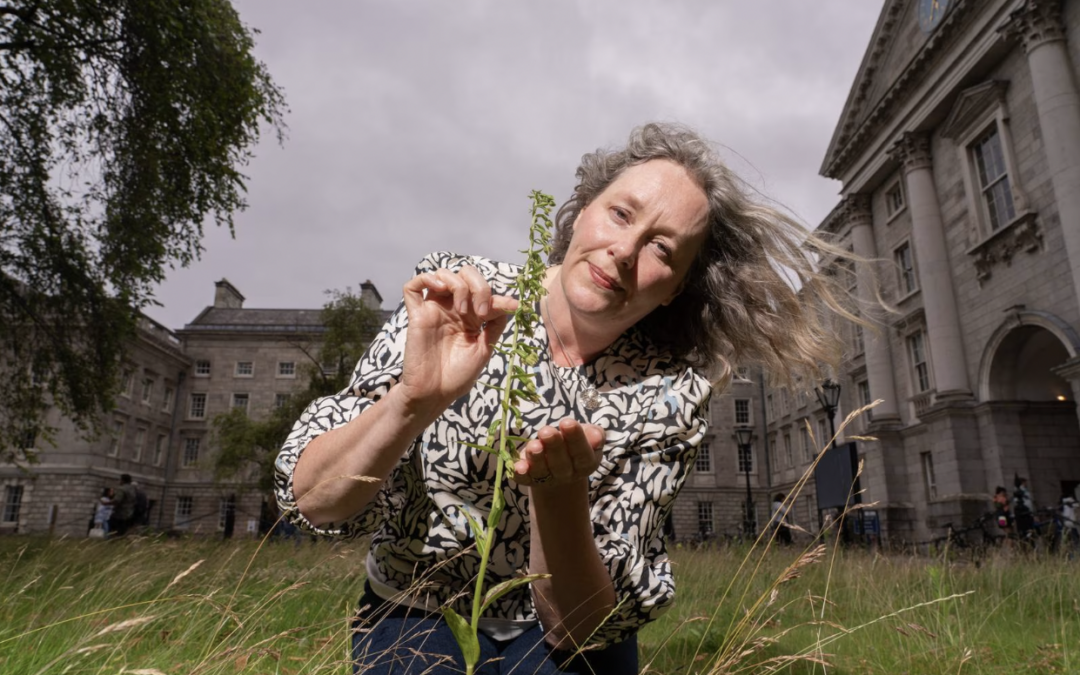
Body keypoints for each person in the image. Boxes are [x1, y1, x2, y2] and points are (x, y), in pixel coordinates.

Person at [275, 123, 859, 674]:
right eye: (620, 214)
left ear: (676, 287)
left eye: (661, 247)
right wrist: (411, 401)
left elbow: (578, 627)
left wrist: (557, 497)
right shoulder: (460, 298)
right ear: (581, 212)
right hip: (413, 607)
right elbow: (314, 503)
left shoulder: (674, 394)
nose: (624, 251)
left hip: (559, 632)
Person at [1013, 475, 1035, 540]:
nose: (1026, 484)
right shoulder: (1021, 491)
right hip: (1025, 513)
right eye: (1025, 482)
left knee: (1029, 531)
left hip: (1027, 512)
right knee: (1027, 531)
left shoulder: (1025, 491)